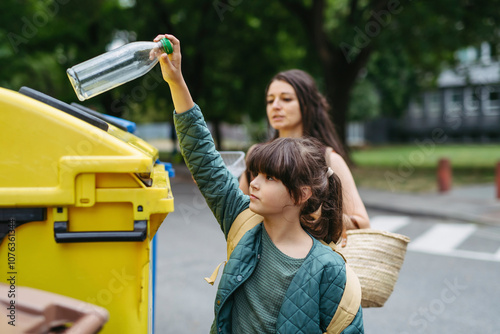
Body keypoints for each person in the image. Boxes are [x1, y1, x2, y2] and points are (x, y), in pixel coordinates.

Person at [154, 34, 364, 333]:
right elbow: (203, 157)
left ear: (302, 193)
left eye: (270, 178)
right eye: (256, 174)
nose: (253, 183)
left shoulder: (330, 271)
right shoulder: (242, 222)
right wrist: (176, 80)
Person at [238, 69, 370, 238]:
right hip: (260, 256)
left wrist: (313, 214)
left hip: (311, 259)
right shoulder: (256, 154)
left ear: (307, 105)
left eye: (286, 99)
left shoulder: (328, 158)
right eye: (270, 101)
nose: (276, 106)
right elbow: (239, 210)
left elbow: (363, 224)